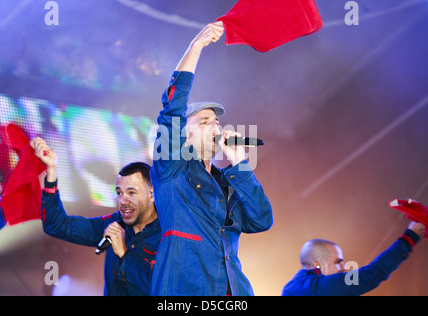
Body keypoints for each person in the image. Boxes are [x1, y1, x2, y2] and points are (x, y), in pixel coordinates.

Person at [150, 21, 273, 296]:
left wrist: (240, 165)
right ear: (184, 133)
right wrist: (196, 47)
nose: (215, 127)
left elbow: (261, 220)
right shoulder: (171, 169)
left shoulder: (226, 182)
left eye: (216, 122)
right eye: (204, 121)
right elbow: (172, 109)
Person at [31, 137, 160, 296]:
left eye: (131, 193)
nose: (123, 201)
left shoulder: (170, 234)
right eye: (119, 193)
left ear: (151, 194)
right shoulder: (115, 224)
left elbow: (164, 290)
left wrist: (124, 254)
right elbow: (57, 226)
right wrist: (51, 173)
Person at [281, 220, 426, 296]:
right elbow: (370, 275)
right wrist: (409, 238)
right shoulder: (310, 288)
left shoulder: (298, 287)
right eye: (338, 262)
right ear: (318, 265)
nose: (344, 267)